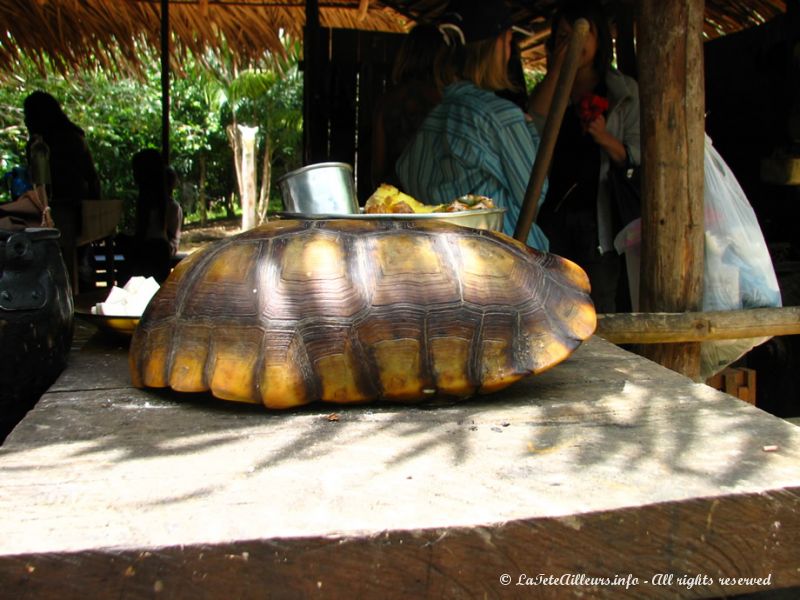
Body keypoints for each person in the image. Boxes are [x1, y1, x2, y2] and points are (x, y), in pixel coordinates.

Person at [395, 0, 549, 251]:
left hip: (444, 256)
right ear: (500, 44)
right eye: (509, 43)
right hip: (503, 260)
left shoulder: (435, 117)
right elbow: (535, 195)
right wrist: (528, 132)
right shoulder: (502, 116)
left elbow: (407, 173)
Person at [528, 0, 641, 312]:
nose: (573, 43)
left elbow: (636, 157)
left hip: (599, 217)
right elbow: (531, 124)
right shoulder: (551, 87)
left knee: (596, 301)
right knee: (550, 299)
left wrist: (604, 138)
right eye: (563, 36)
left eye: (581, 34)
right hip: (553, 213)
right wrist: (557, 72)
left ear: (598, 39)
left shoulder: (622, 91)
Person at [23, 91, 102, 290]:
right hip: (62, 209)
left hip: (71, 211)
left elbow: (90, 178)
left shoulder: (67, 140)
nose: (25, 120)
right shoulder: (40, 144)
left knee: (70, 266)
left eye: (28, 115)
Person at [370, 23, 445, 189]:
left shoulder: (386, 102)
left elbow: (377, 170)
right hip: (432, 198)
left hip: (395, 198)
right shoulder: (442, 101)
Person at [119, 149, 177, 284]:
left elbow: (143, 233)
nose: (133, 175)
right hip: (160, 250)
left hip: (150, 251)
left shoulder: (147, 200)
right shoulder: (163, 199)